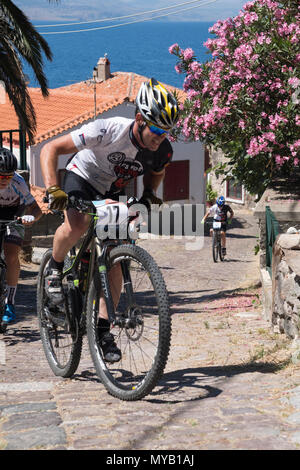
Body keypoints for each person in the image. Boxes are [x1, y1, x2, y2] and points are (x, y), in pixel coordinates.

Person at [40, 77, 179, 362]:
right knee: (77, 224)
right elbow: (50, 149)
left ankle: (103, 331)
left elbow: (157, 171)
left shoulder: (161, 150)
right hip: (81, 177)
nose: (159, 137)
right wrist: (54, 189)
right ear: (139, 119)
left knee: (114, 255)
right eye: (155, 129)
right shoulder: (106, 130)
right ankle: (54, 272)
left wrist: (150, 193)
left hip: (111, 190)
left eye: (165, 132)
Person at [0, 148, 42, 324]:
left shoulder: (18, 182)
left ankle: (10, 302)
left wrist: (30, 217)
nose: (6, 180)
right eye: (2, 176)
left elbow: (36, 209)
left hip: (13, 216)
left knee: (11, 255)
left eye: (9, 176)